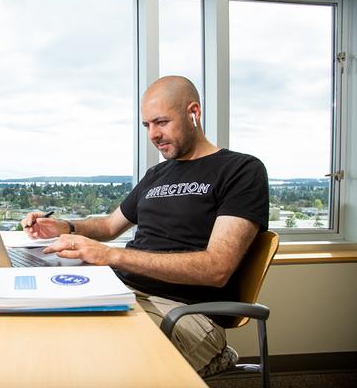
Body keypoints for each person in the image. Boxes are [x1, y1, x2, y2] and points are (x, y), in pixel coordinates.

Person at [21, 75, 269, 375]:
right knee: (42, 326)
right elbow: (110, 225)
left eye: (161, 122)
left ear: (194, 113)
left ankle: (214, 354)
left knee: (89, 362)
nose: (153, 134)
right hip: (123, 289)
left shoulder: (241, 170)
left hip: (186, 312)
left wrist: (111, 255)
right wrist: (63, 226)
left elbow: (217, 268)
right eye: (147, 125)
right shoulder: (156, 174)